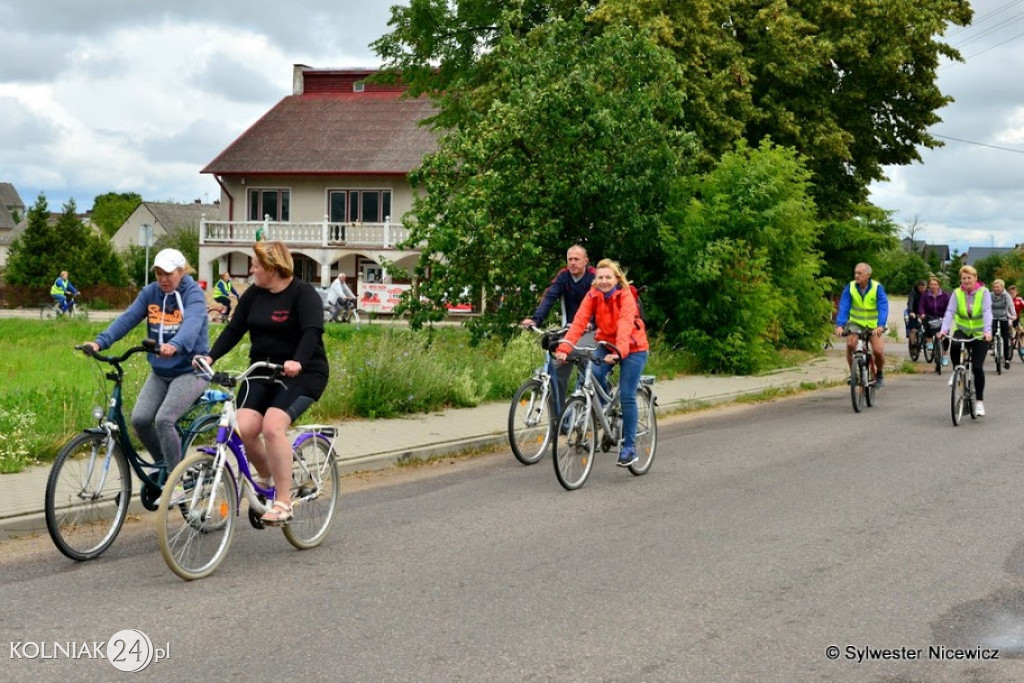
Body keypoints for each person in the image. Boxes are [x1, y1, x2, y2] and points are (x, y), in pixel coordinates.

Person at [197, 241, 329, 526]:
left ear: (271, 268)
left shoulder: (302, 294)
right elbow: (234, 329)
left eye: (255, 266)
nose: (251, 271)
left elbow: (311, 333)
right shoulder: (254, 295)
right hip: (261, 370)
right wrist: (211, 357)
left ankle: (283, 501)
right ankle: (266, 476)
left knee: (272, 427)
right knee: (244, 427)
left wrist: (298, 362)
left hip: (302, 372)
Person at [84, 249, 210, 473]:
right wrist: (100, 343)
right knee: (140, 420)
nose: (162, 279)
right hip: (160, 372)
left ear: (181, 271)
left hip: (191, 371)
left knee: (164, 419)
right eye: (158, 273)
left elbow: (192, 324)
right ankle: (166, 466)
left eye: (168, 274)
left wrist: (176, 345)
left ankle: (176, 480)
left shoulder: (193, 293)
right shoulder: (151, 293)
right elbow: (128, 318)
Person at [554, 258, 649, 467]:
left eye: (608, 277)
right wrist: (564, 349)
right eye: (600, 277)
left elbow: (625, 325)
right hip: (606, 343)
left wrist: (619, 352)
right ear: (595, 279)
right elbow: (579, 322)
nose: (604, 281)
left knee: (627, 395)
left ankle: (630, 447)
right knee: (593, 373)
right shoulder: (593, 295)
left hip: (632, 347)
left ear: (616, 279)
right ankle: (605, 412)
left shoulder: (625, 296)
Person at [521, 245, 597, 408]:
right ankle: (559, 415)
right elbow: (549, 297)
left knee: (588, 367)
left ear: (586, 261)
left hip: (591, 330)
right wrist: (536, 320)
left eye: (577, 259)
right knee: (557, 368)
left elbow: (600, 303)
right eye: (570, 259)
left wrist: (592, 322)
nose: (573, 263)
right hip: (570, 330)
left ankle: (591, 408)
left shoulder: (594, 277)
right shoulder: (563, 276)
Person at [938, 265, 992, 416]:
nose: (966, 280)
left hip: (980, 333)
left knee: (977, 367)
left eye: (969, 277)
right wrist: (944, 330)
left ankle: (979, 402)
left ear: (975, 278)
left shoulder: (984, 292)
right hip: (962, 330)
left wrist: (988, 331)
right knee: (954, 344)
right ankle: (956, 370)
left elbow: (987, 312)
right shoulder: (957, 293)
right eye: (964, 278)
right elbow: (950, 312)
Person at [834, 262, 889, 388]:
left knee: (878, 351)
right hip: (856, 324)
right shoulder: (850, 287)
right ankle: (853, 374)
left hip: (873, 325)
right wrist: (840, 325)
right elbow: (844, 306)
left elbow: (883, 307)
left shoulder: (877, 287)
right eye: (855, 273)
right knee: (850, 345)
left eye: (860, 273)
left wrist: (880, 325)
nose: (857, 275)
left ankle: (879, 374)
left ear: (868, 275)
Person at [918, 275, 951, 371]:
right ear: (929, 285)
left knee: (945, 337)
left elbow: (949, 307)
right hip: (929, 316)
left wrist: (947, 316)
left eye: (935, 284)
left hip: (942, 317)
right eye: (931, 284)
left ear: (938, 285)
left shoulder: (945, 296)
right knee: (927, 326)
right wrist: (922, 313)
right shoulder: (925, 296)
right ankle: (929, 343)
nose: (933, 286)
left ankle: (944, 355)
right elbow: (921, 306)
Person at [990, 278, 1016, 370]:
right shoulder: (991, 295)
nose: (996, 289)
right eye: (994, 287)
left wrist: (1013, 315)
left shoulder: (1006, 295)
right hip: (993, 317)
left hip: (1004, 317)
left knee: (1005, 338)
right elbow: (986, 306)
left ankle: (1006, 359)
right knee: (991, 334)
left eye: (998, 287)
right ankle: (993, 347)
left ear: (1002, 287)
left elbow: (1011, 305)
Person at [905, 280, 926, 347]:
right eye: (921, 287)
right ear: (918, 286)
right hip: (914, 312)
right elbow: (910, 302)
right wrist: (911, 311)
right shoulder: (913, 292)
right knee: (914, 328)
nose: (923, 289)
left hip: (923, 312)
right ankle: (913, 344)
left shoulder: (927, 293)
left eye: (924, 287)